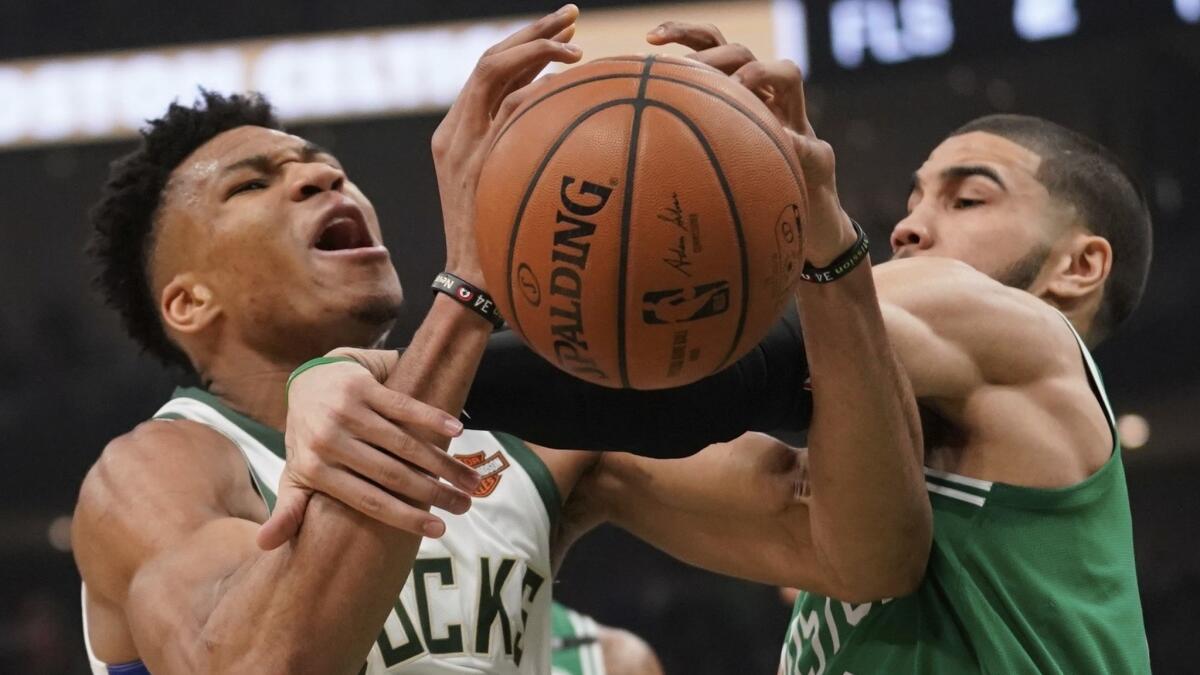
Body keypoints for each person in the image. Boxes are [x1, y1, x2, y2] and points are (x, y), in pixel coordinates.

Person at [284, 20, 1152, 675]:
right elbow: (607, 462)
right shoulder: (867, 459)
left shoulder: (1017, 327)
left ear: (1078, 265)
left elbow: (703, 382)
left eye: (968, 200)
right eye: (916, 196)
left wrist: (382, 373)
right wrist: (331, 388)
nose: (911, 225)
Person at [72, 7, 621, 674]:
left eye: (326, 166)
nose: (322, 178)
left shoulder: (514, 435)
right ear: (190, 302)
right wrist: (470, 286)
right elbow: (251, 663)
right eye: (251, 183)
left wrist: (785, 235)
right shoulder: (154, 471)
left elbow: (786, 517)